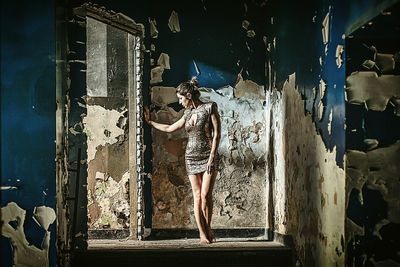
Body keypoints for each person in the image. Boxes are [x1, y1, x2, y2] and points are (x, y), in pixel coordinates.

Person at [144, 77, 221, 244]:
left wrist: (212, 157)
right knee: (197, 196)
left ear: (188, 95)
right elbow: (170, 128)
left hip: (208, 156)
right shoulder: (187, 114)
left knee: (206, 194)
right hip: (191, 157)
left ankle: (208, 228)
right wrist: (150, 122)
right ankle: (202, 233)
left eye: (180, 98)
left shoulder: (209, 107)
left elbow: (217, 135)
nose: (179, 102)